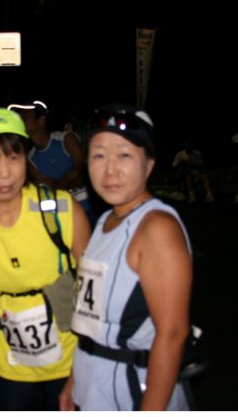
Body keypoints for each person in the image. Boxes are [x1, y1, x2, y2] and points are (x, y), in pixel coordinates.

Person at [59, 103, 194, 411]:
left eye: (124, 155)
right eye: (98, 156)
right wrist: (74, 381)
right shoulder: (105, 221)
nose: (110, 170)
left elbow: (172, 335)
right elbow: (92, 318)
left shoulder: (156, 228)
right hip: (94, 384)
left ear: (148, 165)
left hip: (133, 391)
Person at [0, 107, 91, 411]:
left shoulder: (62, 210)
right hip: (10, 363)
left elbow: (94, 297)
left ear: (25, 159)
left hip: (70, 359)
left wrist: (83, 367)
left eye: (13, 157)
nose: (4, 172)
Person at [8, 100, 96, 226]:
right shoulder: (30, 159)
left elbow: (84, 173)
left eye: (26, 115)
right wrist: (68, 177)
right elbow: (46, 190)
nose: (22, 119)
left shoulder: (65, 139)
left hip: (89, 209)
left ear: (41, 120)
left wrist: (58, 184)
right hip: (63, 216)